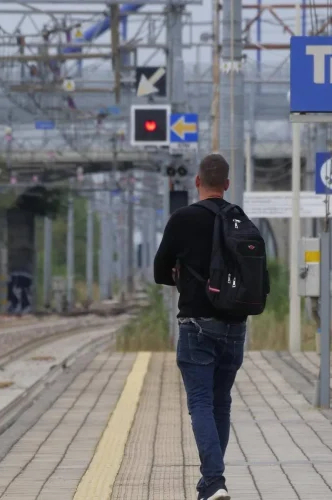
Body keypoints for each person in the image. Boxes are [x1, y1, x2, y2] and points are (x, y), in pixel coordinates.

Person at [153, 153, 248, 500]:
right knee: (221, 402)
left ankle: (213, 481)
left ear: (197, 182)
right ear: (226, 184)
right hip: (235, 326)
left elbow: (160, 271)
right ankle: (213, 480)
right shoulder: (240, 218)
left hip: (197, 325)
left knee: (201, 403)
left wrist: (179, 275)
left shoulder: (182, 220)